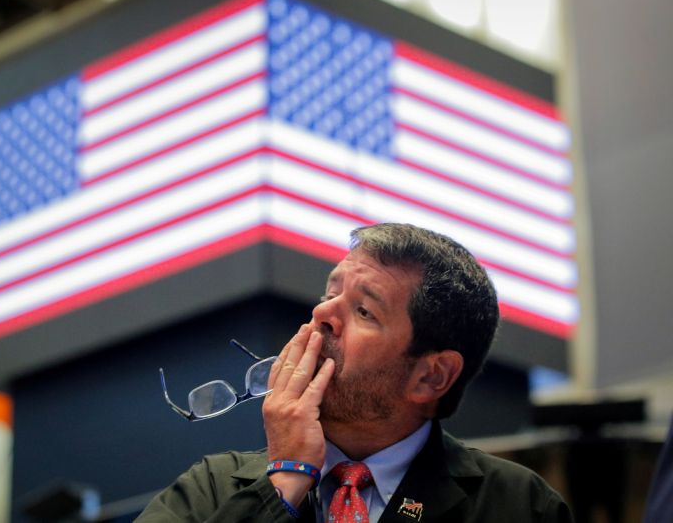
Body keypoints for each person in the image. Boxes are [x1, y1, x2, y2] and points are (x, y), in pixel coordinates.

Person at [136, 223, 573, 522]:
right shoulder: (210, 490)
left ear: (431, 376)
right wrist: (281, 485)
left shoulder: (517, 506)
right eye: (330, 293)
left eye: (363, 310)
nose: (322, 313)